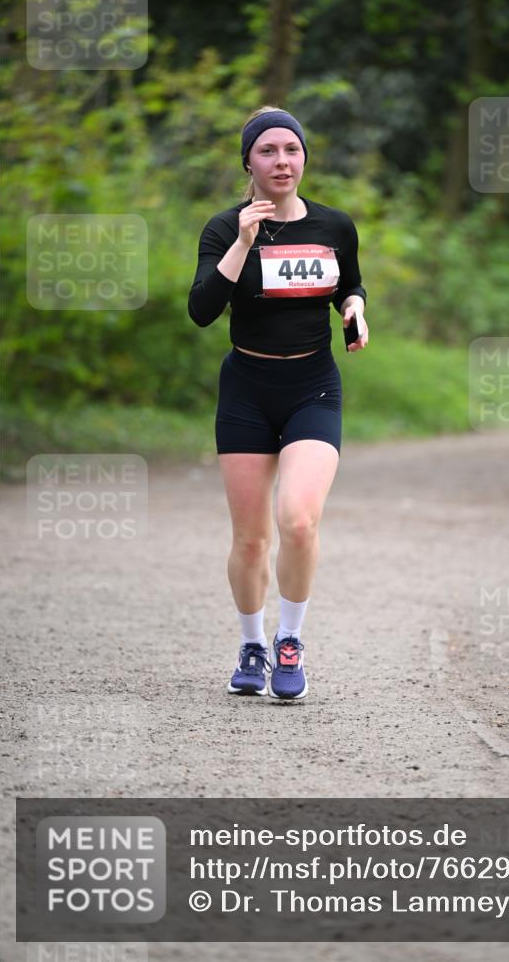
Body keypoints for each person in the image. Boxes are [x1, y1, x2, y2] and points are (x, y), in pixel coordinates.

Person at [188, 105, 368, 700]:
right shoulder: (223, 228)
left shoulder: (334, 226)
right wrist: (242, 241)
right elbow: (203, 309)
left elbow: (348, 281)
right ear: (249, 161)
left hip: (313, 387)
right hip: (246, 390)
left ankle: (290, 642)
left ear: (304, 158)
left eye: (291, 149)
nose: (281, 161)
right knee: (250, 539)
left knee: (297, 519)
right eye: (268, 151)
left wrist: (353, 308)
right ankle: (252, 644)